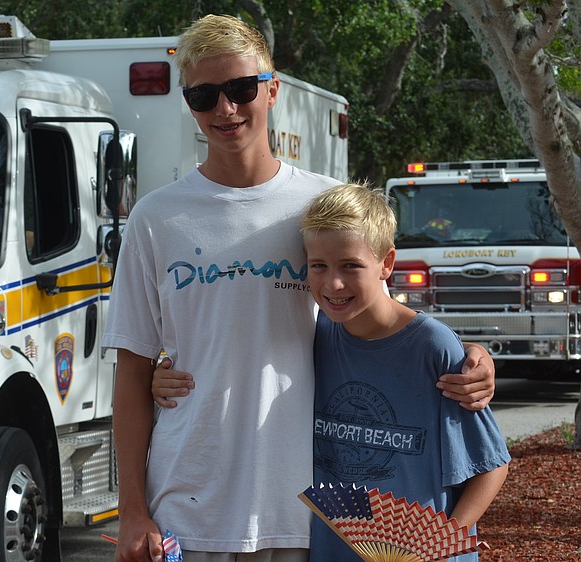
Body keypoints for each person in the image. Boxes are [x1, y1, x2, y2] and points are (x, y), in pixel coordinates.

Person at [103, 14, 496, 562]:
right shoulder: (155, 218)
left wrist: (470, 355)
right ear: (188, 102)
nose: (225, 109)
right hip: (187, 511)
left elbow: (380, 323)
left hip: (308, 515)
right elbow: (132, 371)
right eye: (204, 95)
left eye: (241, 89)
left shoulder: (320, 206)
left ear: (272, 90)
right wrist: (132, 510)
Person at [300, 182, 509, 561]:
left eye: (350, 265)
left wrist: (440, 543)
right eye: (319, 265)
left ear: (387, 263)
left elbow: (491, 467)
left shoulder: (432, 346)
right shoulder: (315, 334)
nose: (333, 283)